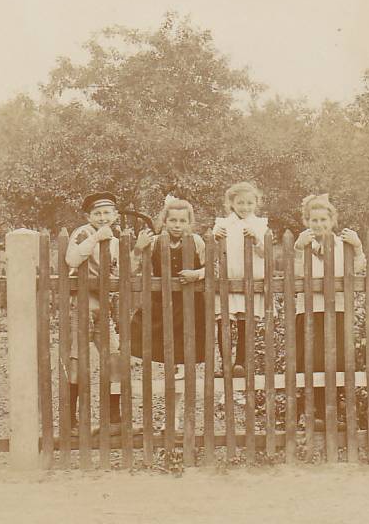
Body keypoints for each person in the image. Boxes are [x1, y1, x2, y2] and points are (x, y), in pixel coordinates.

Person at [293, 194, 367, 431]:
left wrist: (357, 247)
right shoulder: (302, 244)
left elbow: (356, 271)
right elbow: (295, 275)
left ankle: (333, 413)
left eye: (323, 220)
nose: (319, 225)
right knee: (310, 360)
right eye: (314, 220)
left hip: (337, 309)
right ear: (307, 221)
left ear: (332, 220)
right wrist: (297, 249)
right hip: (309, 310)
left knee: (336, 360)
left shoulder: (341, 245)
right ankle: (311, 412)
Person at [65, 191, 123, 436]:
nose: (102, 217)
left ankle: (113, 419)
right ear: (88, 216)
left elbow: (117, 270)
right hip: (82, 303)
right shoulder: (83, 233)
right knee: (78, 358)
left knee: (114, 357)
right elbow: (72, 259)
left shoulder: (116, 240)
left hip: (104, 304)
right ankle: (71, 422)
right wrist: (97, 237)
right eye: (97, 213)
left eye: (107, 213)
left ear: (115, 215)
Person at [129, 195, 206, 369]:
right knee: (157, 348)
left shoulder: (197, 242)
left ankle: (182, 390)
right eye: (172, 220)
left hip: (190, 305)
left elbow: (214, 270)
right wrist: (138, 248)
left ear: (189, 222)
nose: (177, 225)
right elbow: (130, 271)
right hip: (160, 303)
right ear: (165, 221)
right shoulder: (155, 242)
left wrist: (197, 274)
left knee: (185, 354)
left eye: (182, 221)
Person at [212, 182, 269, 378]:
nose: (245, 207)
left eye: (249, 203)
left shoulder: (260, 224)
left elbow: (265, 253)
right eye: (240, 203)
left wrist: (255, 239)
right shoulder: (222, 224)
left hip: (250, 280)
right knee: (224, 321)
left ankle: (241, 363)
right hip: (227, 279)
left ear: (256, 203)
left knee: (246, 322)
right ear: (231, 203)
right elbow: (211, 250)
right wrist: (214, 236)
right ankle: (225, 363)